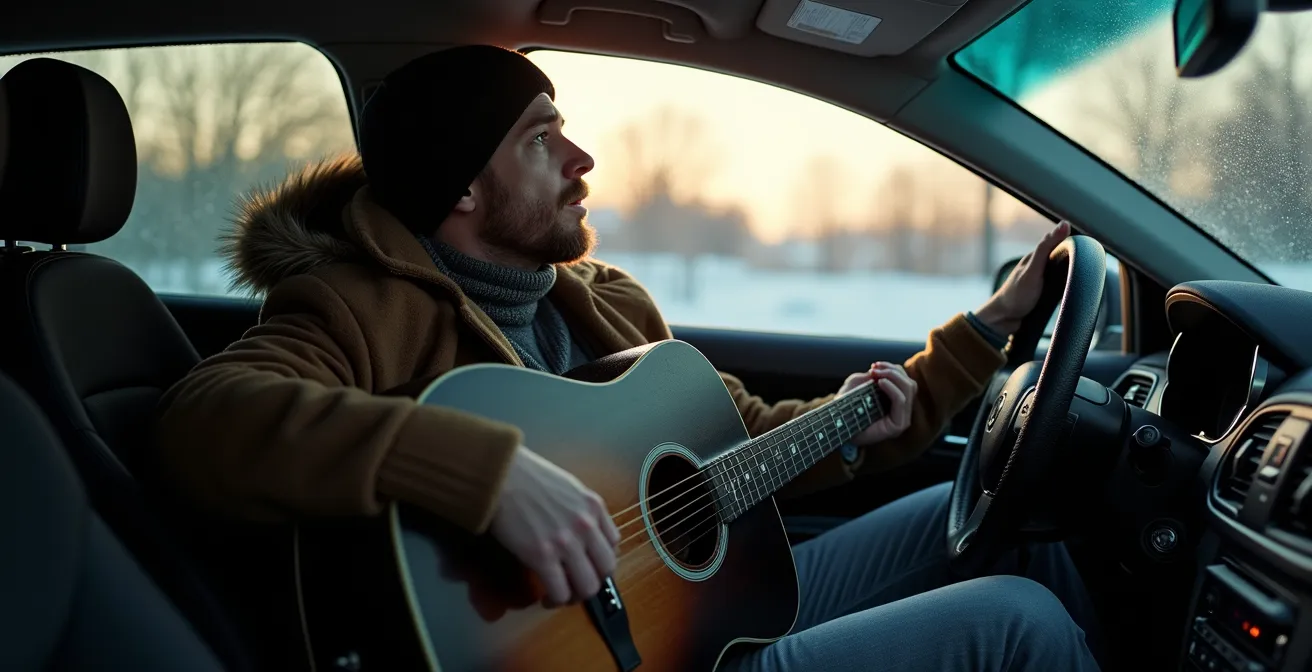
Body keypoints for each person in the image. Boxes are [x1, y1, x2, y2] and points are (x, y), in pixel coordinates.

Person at [151, 45, 1100, 670]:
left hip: (693, 619)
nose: (582, 158)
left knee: (990, 509)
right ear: (466, 189)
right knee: (1019, 622)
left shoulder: (607, 303)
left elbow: (743, 446)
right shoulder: (361, 303)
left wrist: (971, 343)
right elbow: (204, 420)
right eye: (540, 137)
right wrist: (484, 473)